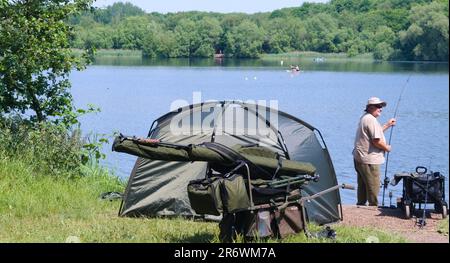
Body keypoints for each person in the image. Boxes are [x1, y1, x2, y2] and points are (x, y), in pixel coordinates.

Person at [352, 97, 396, 207]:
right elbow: (376, 141)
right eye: (378, 106)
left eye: (381, 107)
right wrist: (387, 148)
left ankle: (360, 206)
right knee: (373, 186)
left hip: (360, 158)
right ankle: (373, 208)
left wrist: (387, 125)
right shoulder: (371, 120)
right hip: (369, 160)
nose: (380, 109)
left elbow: (374, 133)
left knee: (362, 185)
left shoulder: (365, 117)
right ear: (370, 107)